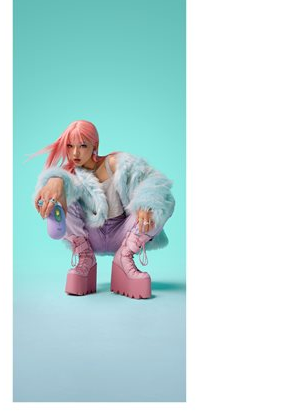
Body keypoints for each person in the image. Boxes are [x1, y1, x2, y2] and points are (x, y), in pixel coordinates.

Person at [32, 120, 175, 299]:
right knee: (62, 198)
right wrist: (56, 180)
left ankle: (124, 258)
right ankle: (85, 259)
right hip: (90, 236)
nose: (75, 153)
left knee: (161, 200)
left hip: (125, 234)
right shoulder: (69, 175)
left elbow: (154, 180)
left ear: (95, 145)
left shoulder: (115, 163)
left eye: (82, 145)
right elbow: (63, 183)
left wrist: (146, 202)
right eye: (70, 146)